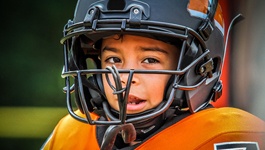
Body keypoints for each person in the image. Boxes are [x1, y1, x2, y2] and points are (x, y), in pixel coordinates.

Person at [42, 0, 265, 149]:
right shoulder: (70, 134)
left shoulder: (226, 136)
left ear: (197, 67)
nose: (125, 77)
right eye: (114, 59)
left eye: (150, 60)